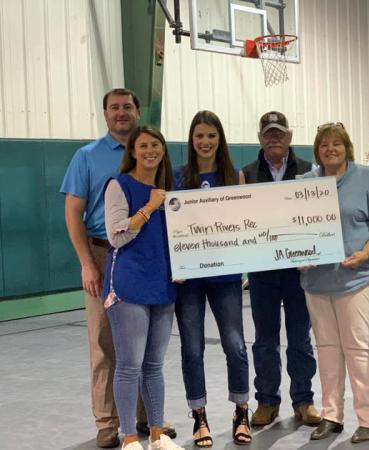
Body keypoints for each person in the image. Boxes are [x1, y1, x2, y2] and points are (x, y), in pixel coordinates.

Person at [60, 88, 175, 448]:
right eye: (114, 108)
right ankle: (111, 425)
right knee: (106, 346)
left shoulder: (162, 172)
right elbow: (73, 214)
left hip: (153, 260)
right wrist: (86, 264)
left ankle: (147, 421)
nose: (121, 113)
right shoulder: (88, 157)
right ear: (105, 113)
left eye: (128, 107)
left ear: (137, 112)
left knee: (147, 355)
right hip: (104, 254)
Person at [301, 122, 369, 443]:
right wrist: (297, 256)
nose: (330, 149)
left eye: (336, 144)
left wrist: (366, 252)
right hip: (316, 281)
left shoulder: (366, 177)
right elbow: (289, 230)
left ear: (347, 147)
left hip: (357, 277)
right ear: (317, 150)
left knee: (358, 348)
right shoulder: (304, 184)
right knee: (326, 349)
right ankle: (331, 416)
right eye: (324, 145)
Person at [174, 110, 252, 447]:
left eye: (211, 136)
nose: (205, 142)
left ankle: (241, 411)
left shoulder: (235, 178)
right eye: (199, 136)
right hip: (188, 280)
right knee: (191, 348)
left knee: (235, 345)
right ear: (191, 141)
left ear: (220, 140)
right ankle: (199, 416)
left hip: (226, 276)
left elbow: (246, 223)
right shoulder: (176, 178)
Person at [103, 126, 182, 450]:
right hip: (129, 287)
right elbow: (116, 235)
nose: (150, 150)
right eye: (143, 145)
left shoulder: (170, 190)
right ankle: (129, 438)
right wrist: (149, 207)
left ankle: (156, 434)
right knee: (129, 365)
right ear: (133, 151)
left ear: (163, 150)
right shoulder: (118, 186)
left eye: (156, 144)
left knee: (154, 366)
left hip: (162, 285)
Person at [241, 111, 320, 427]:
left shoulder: (310, 172)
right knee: (265, 340)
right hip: (262, 272)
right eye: (268, 133)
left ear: (289, 136)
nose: (274, 138)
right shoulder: (245, 174)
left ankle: (304, 400)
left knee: (300, 338)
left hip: (299, 271)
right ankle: (267, 402)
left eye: (279, 133)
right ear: (260, 138)